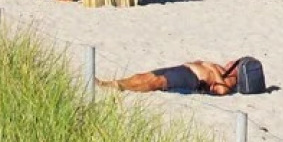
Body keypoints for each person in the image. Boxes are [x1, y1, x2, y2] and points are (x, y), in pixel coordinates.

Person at [98, 59, 241, 95]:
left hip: (191, 78)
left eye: (233, 63)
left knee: (157, 81)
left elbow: (222, 91)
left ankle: (123, 87)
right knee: (145, 75)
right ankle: (112, 84)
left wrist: (212, 68)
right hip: (183, 69)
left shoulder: (229, 78)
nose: (230, 62)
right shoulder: (221, 68)